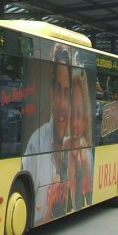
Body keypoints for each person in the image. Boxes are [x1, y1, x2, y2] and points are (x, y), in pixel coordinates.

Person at [22, 43, 71, 224]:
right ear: (51, 92)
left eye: (67, 93)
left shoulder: (76, 146)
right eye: (58, 90)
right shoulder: (36, 144)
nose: (62, 104)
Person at [65, 67, 94, 211]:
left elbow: (90, 197)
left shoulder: (87, 155)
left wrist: (85, 167)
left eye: (80, 115)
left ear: (85, 119)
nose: (75, 123)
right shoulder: (58, 152)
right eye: (72, 113)